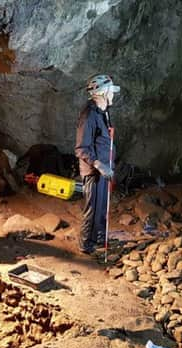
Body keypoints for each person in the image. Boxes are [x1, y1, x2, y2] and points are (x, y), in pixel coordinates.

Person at [75, 74, 120, 254]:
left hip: (104, 170)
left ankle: (99, 237)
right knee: (92, 208)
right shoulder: (89, 116)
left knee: (102, 207)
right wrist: (98, 164)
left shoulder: (103, 112)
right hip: (94, 171)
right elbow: (81, 148)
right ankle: (86, 244)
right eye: (111, 91)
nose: (113, 95)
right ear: (102, 93)